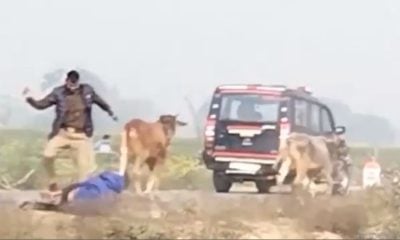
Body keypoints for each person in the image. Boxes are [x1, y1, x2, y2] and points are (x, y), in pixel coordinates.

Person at [23, 70, 118, 189]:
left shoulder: (87, 91)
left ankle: (79, 194)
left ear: (78, 82)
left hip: (81, 135)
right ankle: (53, 181)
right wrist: (29, 98)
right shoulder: (58, 93)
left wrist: (110, 112)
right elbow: (41, 105)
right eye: (70, 84)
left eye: (75, 84)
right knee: (48, 155)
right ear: (66, 81)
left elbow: (100, 102)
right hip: (62, 133)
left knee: (84, 168)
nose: (72, 87)